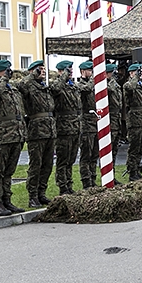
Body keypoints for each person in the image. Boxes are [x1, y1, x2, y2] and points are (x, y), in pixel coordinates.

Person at [0, 59, 26, 216]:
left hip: (16, 135)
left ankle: (7, 200)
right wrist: (3, 80)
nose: (8, 73)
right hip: (0, 137)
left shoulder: (12, 88)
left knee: (9, 172)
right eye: (5, 71)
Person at [16, 60, 55, 207]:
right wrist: (32, 76)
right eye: (40, 69)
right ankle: (32, 196)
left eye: (44, 69)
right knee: (36, 165)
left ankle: (41, 193)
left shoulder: (44, 86)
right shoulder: (28, 85)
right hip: (36, 131)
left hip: (50, 130)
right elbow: (21, 86)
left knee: (47, 164)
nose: (43, 71)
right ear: (33, 71)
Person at [49, 60, 81, 195]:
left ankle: (69, 183)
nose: (71, 72)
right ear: (61, 71)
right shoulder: (56, 85)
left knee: (71, 159)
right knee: (63, 159)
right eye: (68, 70)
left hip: (75, 126)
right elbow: (55, 89)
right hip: (64, 128)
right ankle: (62, 186)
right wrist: (63, 76)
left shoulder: (72, 86)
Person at [124, 63, 142, 180]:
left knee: (141, 147)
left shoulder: (141, 85)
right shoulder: (128, 85)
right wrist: (135, 77)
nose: (141, 74)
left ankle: (137, 168)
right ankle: (132, 171)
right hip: (135, 121)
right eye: (138, 72)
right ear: (131, 73)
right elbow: (130, 88)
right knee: (134, 147)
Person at [76, 61, 99, 189]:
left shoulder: (93, 85)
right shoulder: (80, 85)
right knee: (86, 154)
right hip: (85, 122)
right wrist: (93, 81)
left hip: (94, 122)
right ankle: (86, 180)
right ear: (83, 71)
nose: (91, 73)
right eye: (89, 70)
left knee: (95, 153)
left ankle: (93, 178)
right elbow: (86, 89)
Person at [105, 63, 123, 177]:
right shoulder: (106, 85)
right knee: (109, 149)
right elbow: (110, 90)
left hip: (117, 119)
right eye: (112, 73)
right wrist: (110, 79)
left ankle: (113, 174)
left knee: (115, 150)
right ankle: (108, 175)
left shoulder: (114, 84)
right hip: (110, 120)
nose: (115, 75)